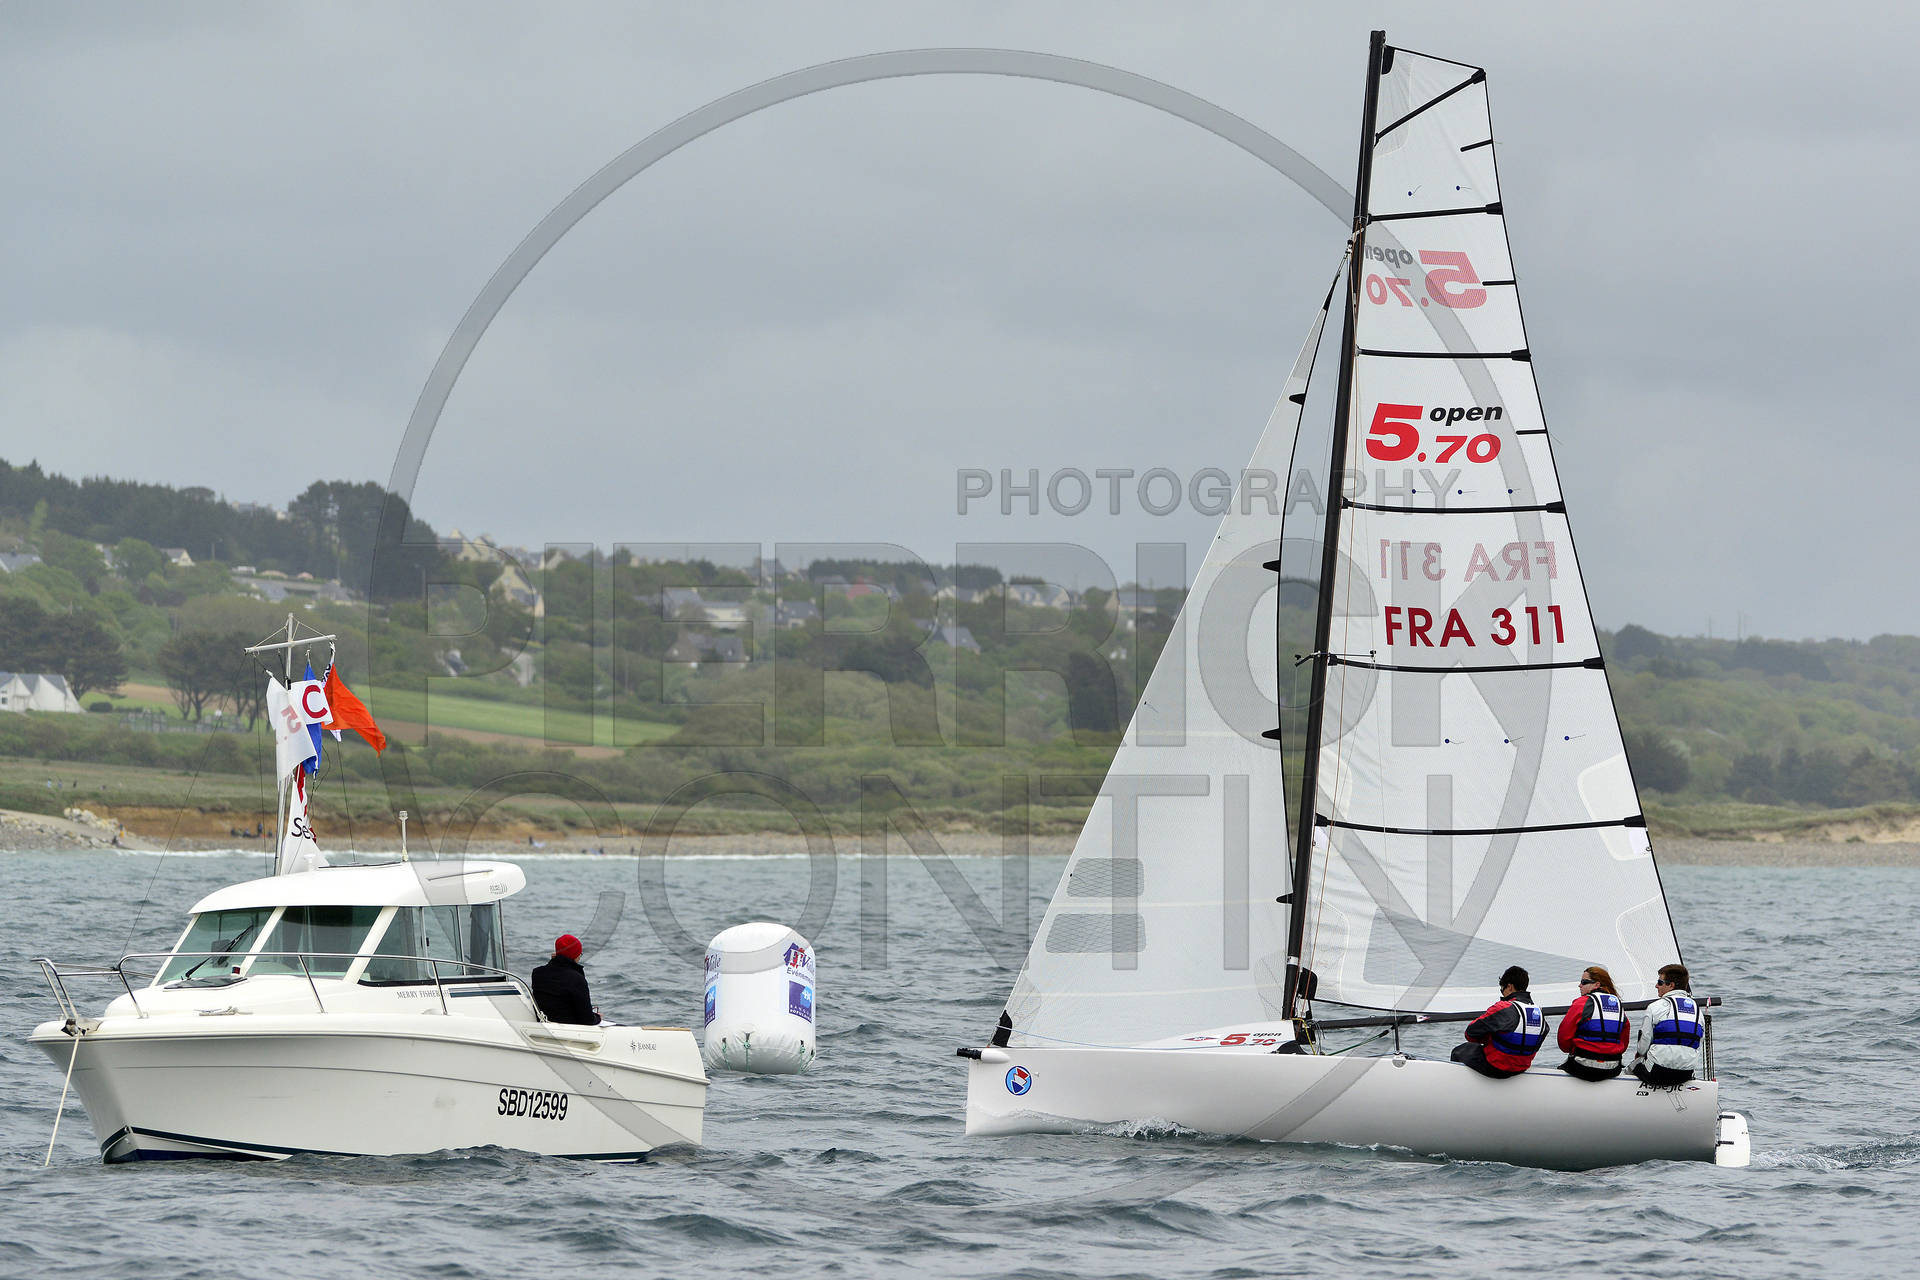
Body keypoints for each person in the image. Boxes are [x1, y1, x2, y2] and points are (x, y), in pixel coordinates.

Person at [1452, 965, 1546, 1078]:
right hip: (1522, 1067)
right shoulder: (1539, 1012)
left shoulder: (1503, 1007)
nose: (1502, 994)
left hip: (1496, 1067)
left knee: (1460, 1051)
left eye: (1502, 990)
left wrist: (1488, 1039)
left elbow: (1470, 1033)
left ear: (1510, 987)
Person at [1632, 963, 1703, 1087]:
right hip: (1685, 1074)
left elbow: (1642, 1048)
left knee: (1633, 1066)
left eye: (1660, 982)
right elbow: (1698, 1043)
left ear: (1671, 985)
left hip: (1656, 1073)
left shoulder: (1654, 1007)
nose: (1656, 986)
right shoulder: (1697, 1011)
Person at [1556, 964, 1631, 1081]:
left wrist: (1572, 1050)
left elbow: (1564, 1039)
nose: (1580, 985)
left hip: (1582, 1067)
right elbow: (1624, 1041)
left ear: (1597, 984)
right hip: (1612, 1068)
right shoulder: (1618, 1005)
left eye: (1584, 982)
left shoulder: (1581, 1003)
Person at [530, 933, 599, 1025]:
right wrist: (597, 1017)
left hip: (543, 1024)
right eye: (579, 954)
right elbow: (587, 1020)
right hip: (568, 1028)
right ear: (575, 955)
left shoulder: (537, 973)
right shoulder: (576, 979)